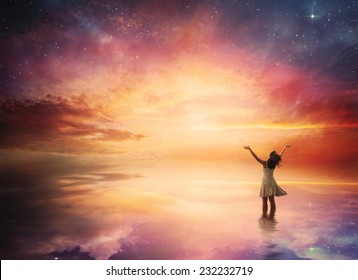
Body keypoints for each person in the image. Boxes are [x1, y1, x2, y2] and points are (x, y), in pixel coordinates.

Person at [243, 145, 291, 214]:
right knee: (272, 201)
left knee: (264, 201)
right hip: (272, 182)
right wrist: (285, 148)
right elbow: (280, 155)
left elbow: (256, 157)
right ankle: (272, 216)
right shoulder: (274, 164)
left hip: (265, 183)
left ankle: (264, 217)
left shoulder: (264, 163)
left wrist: (249, 149)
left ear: (270, 156)